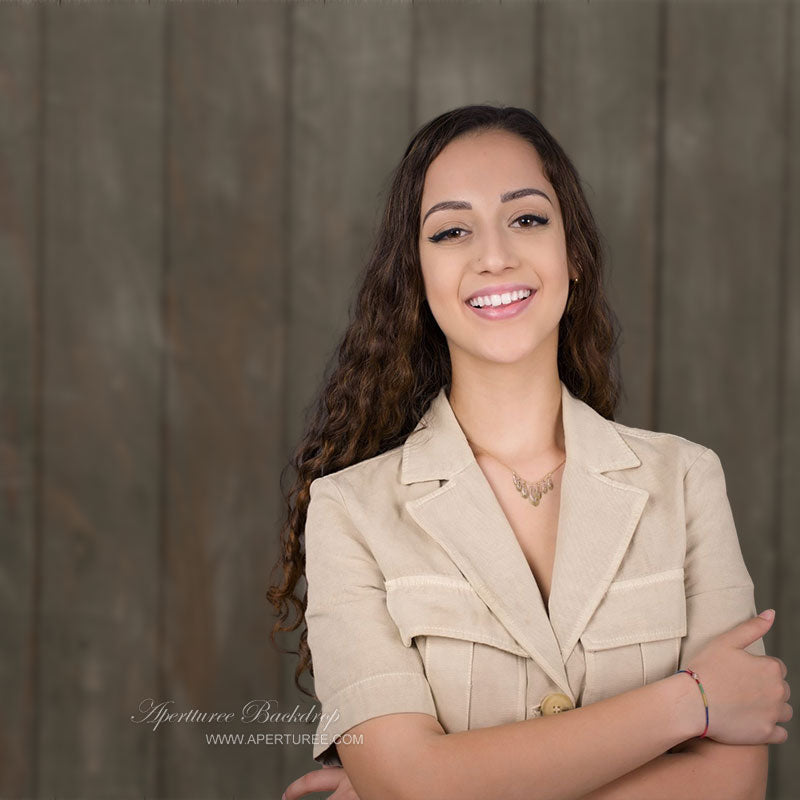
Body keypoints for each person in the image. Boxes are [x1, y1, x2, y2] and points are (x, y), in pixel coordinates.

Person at [269, 104, 791, 800]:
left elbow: (733, 784)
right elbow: (409, 785)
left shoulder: (687, 481)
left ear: (571, 252)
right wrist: (690, 702)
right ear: (416, 277)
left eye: (527, 218)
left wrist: (440, 784)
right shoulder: (348, 513)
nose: (494, 255)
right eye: (452, 231)